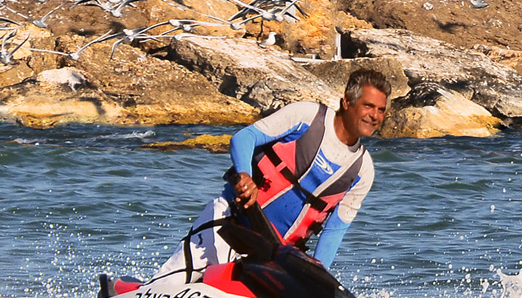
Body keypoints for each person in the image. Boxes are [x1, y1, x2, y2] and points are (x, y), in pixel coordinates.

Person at [158, 68, 390, 282]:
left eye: (381, 110)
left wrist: (316, 276)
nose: (375, 116)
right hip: (230, 221)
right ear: (347, 101)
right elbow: (244, 138)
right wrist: (245, 175)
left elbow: (334, 231)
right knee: (172, 283)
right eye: (368, 106)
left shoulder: (362, 170)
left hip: (272, 257)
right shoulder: (307, 116)